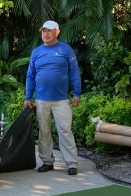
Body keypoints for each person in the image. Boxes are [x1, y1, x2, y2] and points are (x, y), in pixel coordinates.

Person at [24, 20, 82, 176]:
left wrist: (77, 93)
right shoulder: (36, 52)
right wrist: (27, 97)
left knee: (65, 130)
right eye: (43, 31)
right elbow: (30, 75)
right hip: (41, 99)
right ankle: (47, 162)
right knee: (44, 132)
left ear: (57, 32)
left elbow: (74, 71)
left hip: (61, 100)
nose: (45, 34)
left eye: (49, 31)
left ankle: (71, 164)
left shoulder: (65, 49)